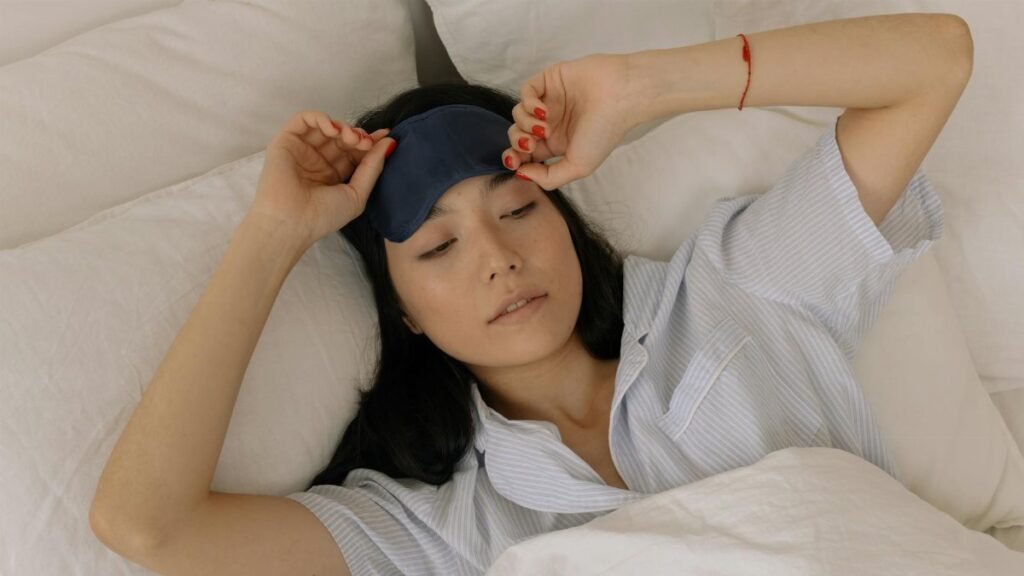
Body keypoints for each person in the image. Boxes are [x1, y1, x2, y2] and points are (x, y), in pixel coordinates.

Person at [89, 12, 972, 576]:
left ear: (566, 216)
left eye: (517, 208)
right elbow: (144, 525)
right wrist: (273, 235)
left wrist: (651, 86)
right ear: (406, 316)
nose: (499, 260)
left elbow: (936, 60)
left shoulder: (739, 291)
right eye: (438, 246)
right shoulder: (432, 530)